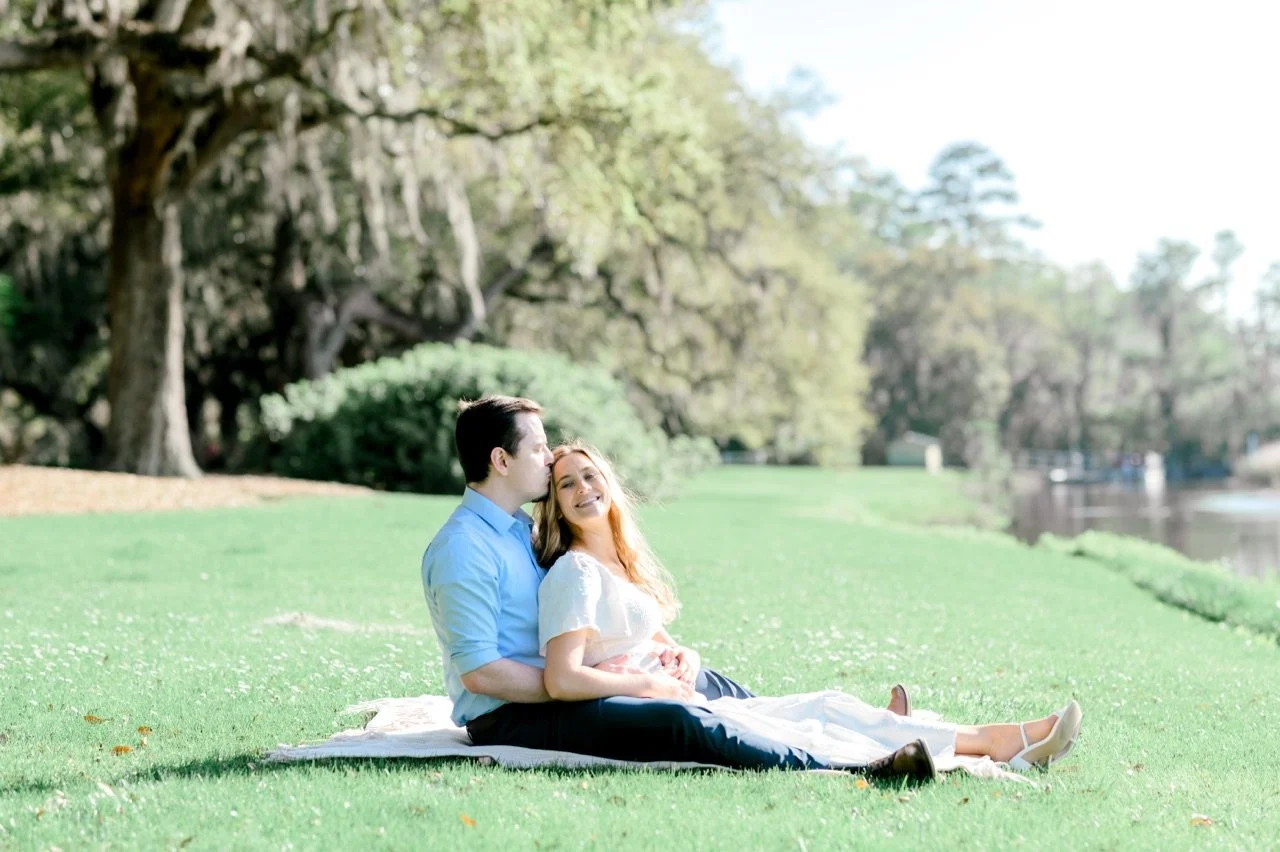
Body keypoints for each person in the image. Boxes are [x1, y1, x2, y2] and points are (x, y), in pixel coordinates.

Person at [421, 395, 936, 780]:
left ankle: (859, 728)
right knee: (678, 717)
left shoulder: (521, 530)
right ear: (501, 461)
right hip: (514, 719)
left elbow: (590, 607)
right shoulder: (463, 549)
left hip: (569, 685)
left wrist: (642, 659)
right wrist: (602, 683)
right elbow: (482, 674)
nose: (550, 455)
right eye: (538, 448)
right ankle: (851, 768)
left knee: (712, 686)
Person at [530, 441, 1083, 774]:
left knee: (823, 708)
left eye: (589, 476)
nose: (582, 489)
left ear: (609, 484)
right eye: (565, 484)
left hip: (682, 688)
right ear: (555, 504)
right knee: (820, 710)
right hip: (663, 706)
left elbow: (637, 636)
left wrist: (682, 654)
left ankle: (922, 733)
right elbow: (563, 677)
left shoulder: (617, 565)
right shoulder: (574, 572)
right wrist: (649, 686)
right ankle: (994, 742)